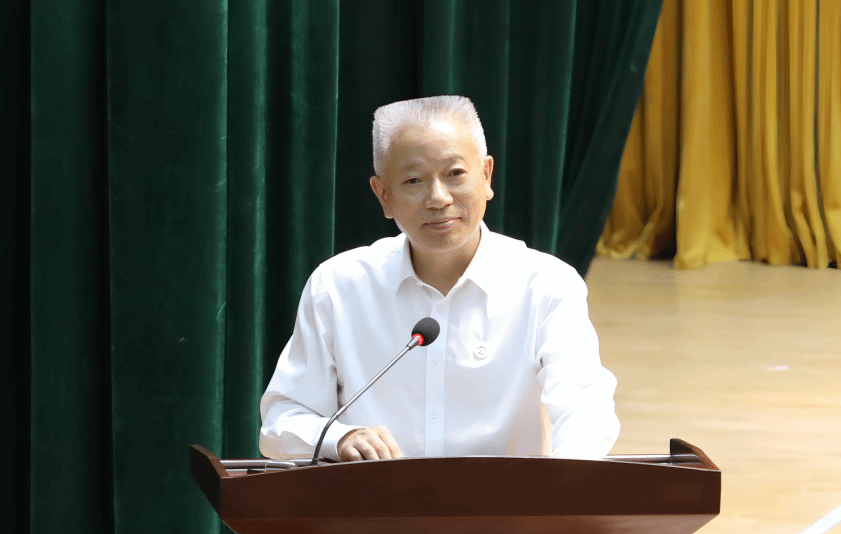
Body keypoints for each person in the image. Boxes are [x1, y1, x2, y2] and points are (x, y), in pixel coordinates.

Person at [259, 95, 619, 462]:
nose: (438, 198)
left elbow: (586, 411)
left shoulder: (547, 285)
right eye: (413, 180)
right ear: (383, 196)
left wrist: (564, 479)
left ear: (486, 175)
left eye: (455, 174)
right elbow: (281, 421)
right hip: (378, 498)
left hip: (505, 499)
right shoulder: (339, 286)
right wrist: (341, 437)